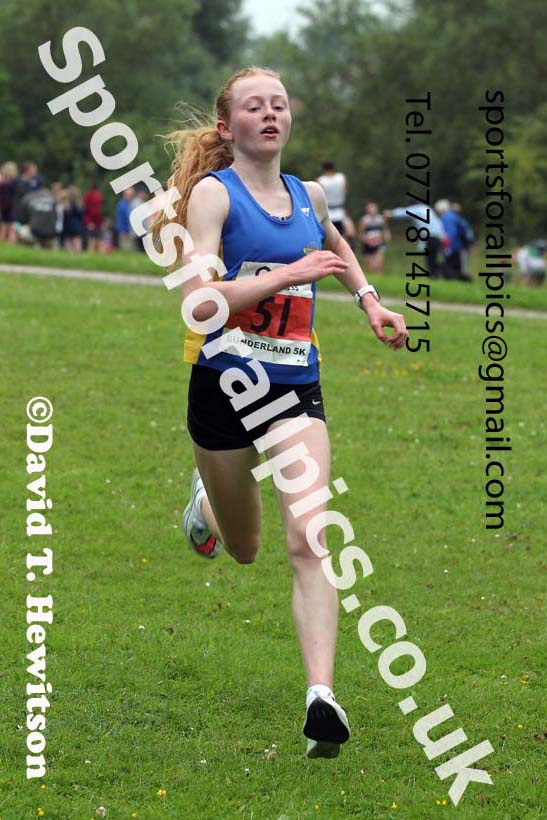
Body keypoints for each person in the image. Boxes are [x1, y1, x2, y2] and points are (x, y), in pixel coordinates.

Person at [155, 66, 407, 759]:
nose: (270, 114)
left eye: (279, 104)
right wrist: (281, 277)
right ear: (226, 126)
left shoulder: (309, 195)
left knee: (311, 538)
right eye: (253, 106)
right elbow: (199, 302)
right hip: (224, 390)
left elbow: (337, 244)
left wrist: (369, 301)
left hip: (296, 386)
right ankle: (205, 502)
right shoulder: (213, 195)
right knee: (245, 549)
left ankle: (320, 698)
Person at [384, 201, 447, 279]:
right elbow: (438, 223)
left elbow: (403, 212)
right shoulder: (427, 208)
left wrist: (390, 213)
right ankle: (437, 275)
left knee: (430, 259)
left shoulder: (416, 209)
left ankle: (434, 276)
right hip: (438, 237)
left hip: (431, 237)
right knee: (435, 258)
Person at [435, 199, 472, 282]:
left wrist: (447, 247)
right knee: (460, 269)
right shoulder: (455, 217)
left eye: (438, 212)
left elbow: (451, 233)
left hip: (454, 247)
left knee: (455, 271)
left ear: (441, 210)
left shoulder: (447, 217)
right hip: (460, 246)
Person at [357, 201, 390, 274]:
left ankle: (379, 279)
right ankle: (370, 279)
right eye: (370, 208)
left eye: (373, 208)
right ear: (367, 210)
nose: (372, 210)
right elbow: (360, 234)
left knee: (378, 263)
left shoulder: (381, 219)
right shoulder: (364, 220)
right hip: (368, 244)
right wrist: (367, 241)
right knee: (368, 264)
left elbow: (385, 230)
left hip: (379, 243)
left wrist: (385, 237)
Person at [317, 160, 347, 236]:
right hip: (340, 210)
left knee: (329, 236)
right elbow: (345, 189)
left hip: (327, 212)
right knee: (342, 235)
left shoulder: (321, 180)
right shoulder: (341, 177)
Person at [0, 161, 19, 244]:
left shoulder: (2, 182)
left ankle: (2, 241)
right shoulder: (16, 182)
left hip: (3, 206)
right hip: (13, 206)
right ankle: (11, 243)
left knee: (4, 225)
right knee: (11, 226)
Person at [83, 181, 104, 252]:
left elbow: (85, 209)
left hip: (90, 221)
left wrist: (88, 221)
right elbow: (98, 211)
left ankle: (90, 256)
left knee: (91, 241)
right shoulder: (98, 196)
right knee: (98, 241)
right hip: (97, 221)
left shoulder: (87, 195)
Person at [114, 187, 135, 251]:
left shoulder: (128, 204)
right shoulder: (122, 204)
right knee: (125, 249)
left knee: (129, 249)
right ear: (125, 195)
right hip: (123, 231)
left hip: (128, 230)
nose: (131, 197)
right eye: (130, 195)